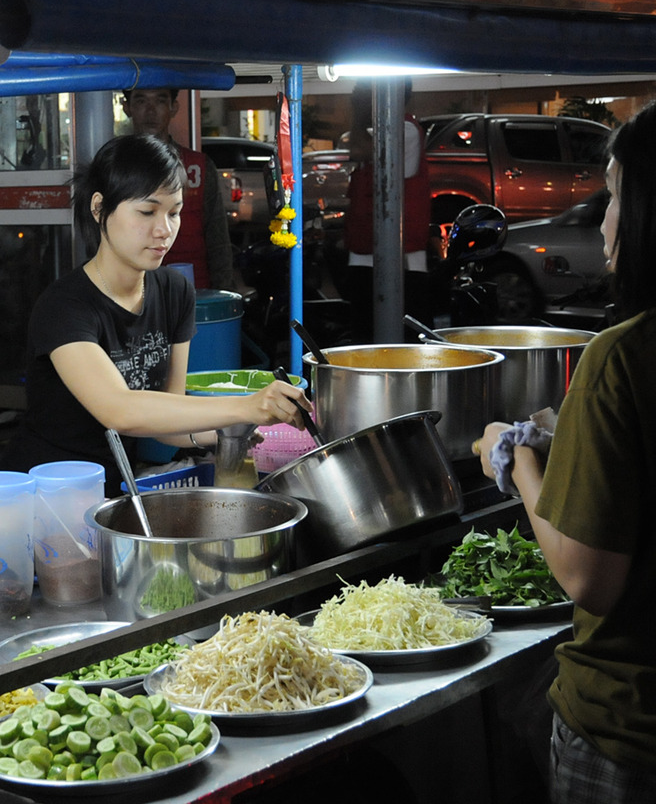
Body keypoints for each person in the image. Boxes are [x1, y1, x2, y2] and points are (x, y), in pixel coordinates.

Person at [472, 93, 656, 804]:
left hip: (636, 734)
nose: (603, 221)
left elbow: (587, 576)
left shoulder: (623, 359)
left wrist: (515, 460)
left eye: (617, 197)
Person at [0, 134, 312, 498]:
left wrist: (233, 432)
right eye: (147, 212)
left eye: (174, 212)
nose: (164, 229)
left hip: (117, 489)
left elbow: (167, 422)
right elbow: (121, 411)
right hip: (46, 495)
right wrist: (247, 406)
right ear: (99, 208)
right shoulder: (65, 307)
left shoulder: (174, 292)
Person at [344, 80, 432, 342]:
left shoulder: (405, 131)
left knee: (400, 342)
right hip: (364, 252)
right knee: (364, 337)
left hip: (401, 259)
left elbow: (359, 149)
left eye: (361, 94)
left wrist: (359, 114)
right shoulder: (379, 130)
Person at [122, 86, 233, 290]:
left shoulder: (198, 166)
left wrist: (224, 295)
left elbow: (218, 242)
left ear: (174, 107)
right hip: (134, 292)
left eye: (160, 101)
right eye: (141, 101)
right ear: (126, 107)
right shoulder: (116, 167)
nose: (151, 110)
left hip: (194, 291)